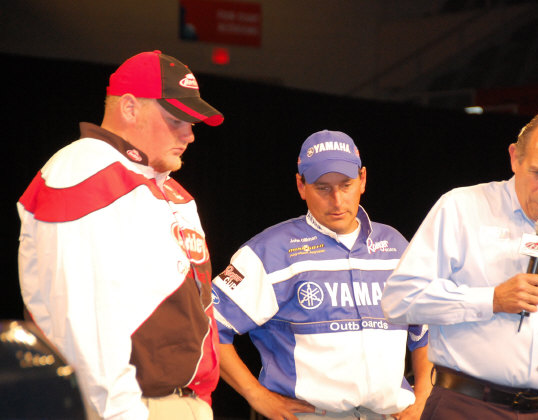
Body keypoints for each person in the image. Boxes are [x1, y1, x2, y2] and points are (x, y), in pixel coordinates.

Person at [381, 106, 538, 419]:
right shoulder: (460, 209)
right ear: (515, 158)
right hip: (466, 406)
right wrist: (491, 299)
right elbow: (398, 300)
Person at [17, 50, 225, 420]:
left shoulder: (172, 193)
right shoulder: (84, 171)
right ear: (129, 108)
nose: (190, 135)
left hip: (180, 404)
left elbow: (200, 313)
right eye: (176, 119)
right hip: (125, 409)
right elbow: (82, 319)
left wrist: (198, 401)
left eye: (192, 122)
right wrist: (123, 413)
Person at [211, 130, 433, 420]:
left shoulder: (394, 246)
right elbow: (209, 323)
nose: (337, 200)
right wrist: (257, 395)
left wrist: (424, 397)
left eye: (346, 185)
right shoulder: (270, 250)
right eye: (323, 188)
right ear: (301, 186)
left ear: (363, 180)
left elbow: (426, 328)